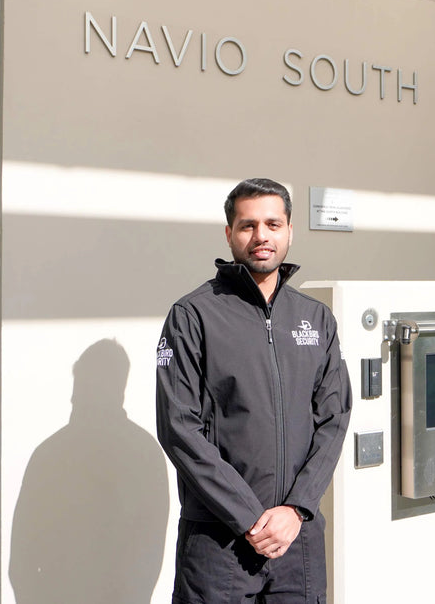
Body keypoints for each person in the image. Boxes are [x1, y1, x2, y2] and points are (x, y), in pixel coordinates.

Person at [156, 178, 352, 603]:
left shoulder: (316, 320)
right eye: (247, 225)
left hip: (297, 538)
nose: (261, 236)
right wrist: (249, 518)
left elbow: (334, 420)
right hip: (219, 541)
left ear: (289, 231)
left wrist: (297, 508)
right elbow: (178, 428)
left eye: (272, 224)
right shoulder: (192, 316)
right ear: (229, 234)